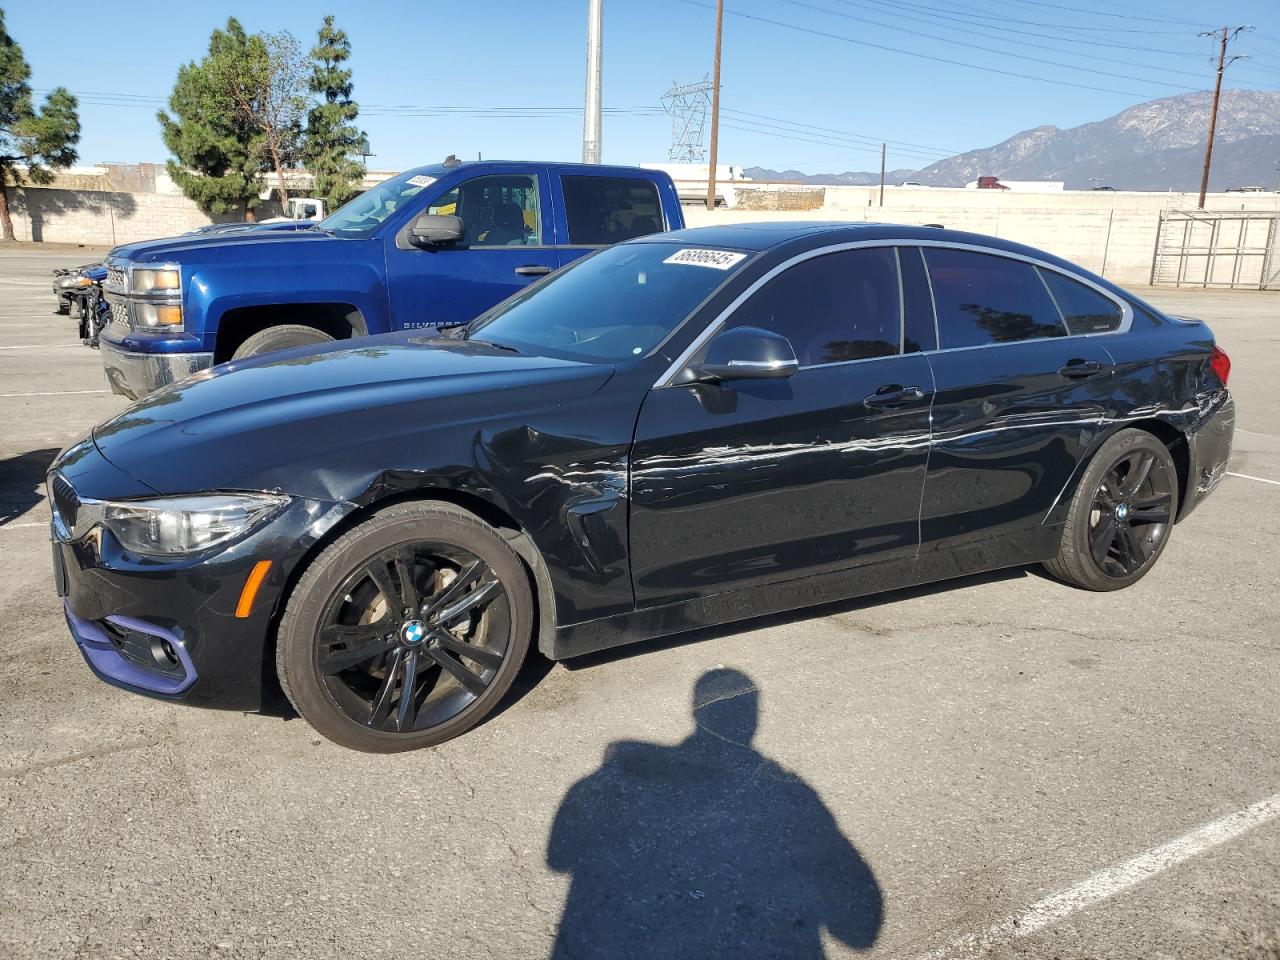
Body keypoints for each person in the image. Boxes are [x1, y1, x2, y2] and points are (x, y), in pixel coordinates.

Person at [547, 668, 883, 958]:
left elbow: (557, 858)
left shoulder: (600, 784)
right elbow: (858, 931)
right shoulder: (786, 792)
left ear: (698, 714)